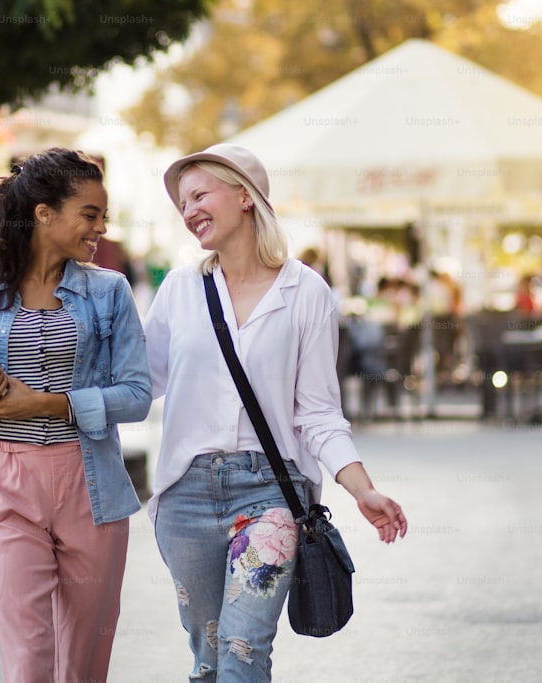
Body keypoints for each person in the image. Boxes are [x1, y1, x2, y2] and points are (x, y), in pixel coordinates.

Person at [144, 143, 408, 681]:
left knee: (244, 651)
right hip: (185, 496)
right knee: (209, 657)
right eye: (182, 202)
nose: (188, 209)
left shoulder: (307, 292)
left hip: (269, 493)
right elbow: (138, 383)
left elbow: (319, 414)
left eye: (200, 194)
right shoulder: (179, 290)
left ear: (245, 195)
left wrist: (362, 488)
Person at [0, 148, 151, 682]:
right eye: (90, 214)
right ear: (44, 212)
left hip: (89, 482)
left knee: (82, 665)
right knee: (27, 661)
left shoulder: (109, 291)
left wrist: (50, 404)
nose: (101, 226)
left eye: (103, 215)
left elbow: (139, 394)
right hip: (6, 480)